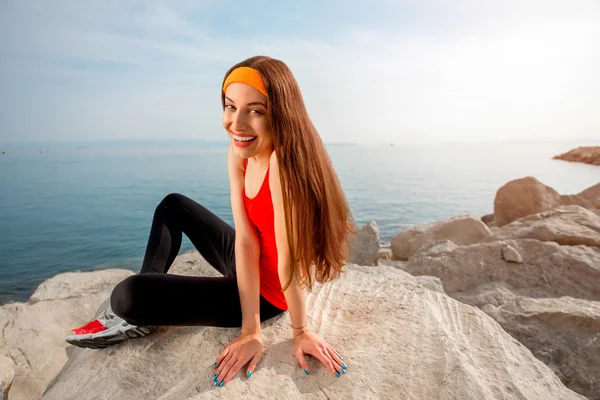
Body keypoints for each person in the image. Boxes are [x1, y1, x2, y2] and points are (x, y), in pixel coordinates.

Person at [65, 56, 354, 387]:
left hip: (269, 294)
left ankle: (141, 306)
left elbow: (288, 262)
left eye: (255, 111)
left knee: (127, 296)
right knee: (173, 206)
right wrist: (249, 328)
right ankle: (145, 308)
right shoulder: (240, 152)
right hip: (249, 261)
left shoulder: (281, 170)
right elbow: (245, 238)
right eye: (231, 106)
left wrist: (279, 331)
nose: (236, 123)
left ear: (280, 115)